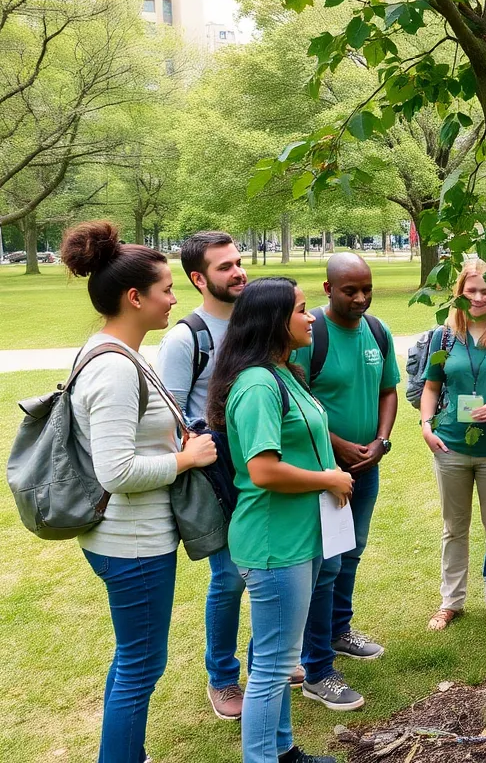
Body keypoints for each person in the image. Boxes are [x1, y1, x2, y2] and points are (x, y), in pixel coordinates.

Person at [60, 221, 218, 763]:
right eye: (167, 289)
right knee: (141, 664)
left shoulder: (113, 351)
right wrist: (185, 458)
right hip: (132, 542)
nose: (174, 299)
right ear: (135, 297)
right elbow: (116, 471)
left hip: (127, 537)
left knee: (132, 658)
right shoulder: (115, 369)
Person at [206, 277, 353, 763]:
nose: (311, 318)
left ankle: (283, 750)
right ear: (273, 320)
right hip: (274, 543)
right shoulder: (256, 385)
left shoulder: (284, 372)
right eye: (301, 310)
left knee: (280, 657)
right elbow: (263, 471)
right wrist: (328, 479)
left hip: (300, 536)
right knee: (272, 667)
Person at [154, 231, 264, 721]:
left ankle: (268, 663)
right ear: (198, 279)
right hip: (219, 477)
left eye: (238, 262)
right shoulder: (186, 338)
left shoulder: (256, 322)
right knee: (230, 578)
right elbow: (170, 415)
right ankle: (221, 678)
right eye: (225, 267)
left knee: (270, 569)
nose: (238, 272)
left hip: (264, 465)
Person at [291, 253, 400, 711]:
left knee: (350, 552)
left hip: (366, 468)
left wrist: (380, 441)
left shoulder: (377, 331)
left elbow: (388, 390)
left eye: (366, 289)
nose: (360, 298)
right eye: (349, 290)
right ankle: (312, 663)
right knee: (323, 566)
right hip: (324, 470)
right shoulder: (309, 334)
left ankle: (338, 630)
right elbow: (297, 398)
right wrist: (337, 445)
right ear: (328, 288)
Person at [420, 261, 486, 634]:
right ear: (460, 293)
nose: (479, 298)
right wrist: (426, 426)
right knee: (454, 527)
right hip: (450, 445)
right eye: (472, 291)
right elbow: (431, 387)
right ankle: (451, 602)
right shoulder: (444, 337)